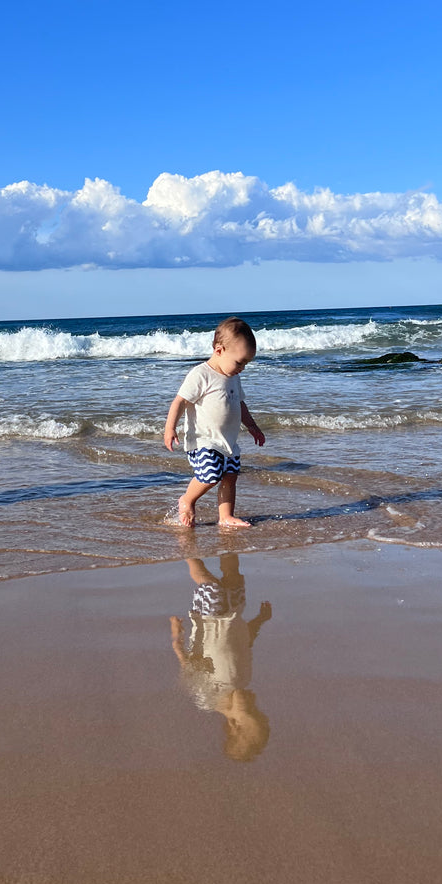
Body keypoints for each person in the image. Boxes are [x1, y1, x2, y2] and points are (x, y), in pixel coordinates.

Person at [163, 316, 265, 528]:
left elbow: (240, 404)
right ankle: (188, 500)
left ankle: (226, 516)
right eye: (240, 362)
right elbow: (180, 401)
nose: (242, 368)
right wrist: (170, 427)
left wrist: (252, 426)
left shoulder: (233, 377)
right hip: (204, 441)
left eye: (246, 363)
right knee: (211, 476)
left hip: (228, 442)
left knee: (230, 477)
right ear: (219, 351)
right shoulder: (201, 374)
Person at [169, 553, 272, 762]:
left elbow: (188, 667)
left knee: (210, 584)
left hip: (210, 619)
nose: (254, 704)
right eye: (257, 710)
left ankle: (187, 545)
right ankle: (227, 539)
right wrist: (260, 620)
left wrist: (176, 636)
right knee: (234, 576)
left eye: (250, 712)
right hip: (234, 613)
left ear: (233, 724)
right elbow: (244, 643)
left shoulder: (208, 699)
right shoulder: (243, 680)